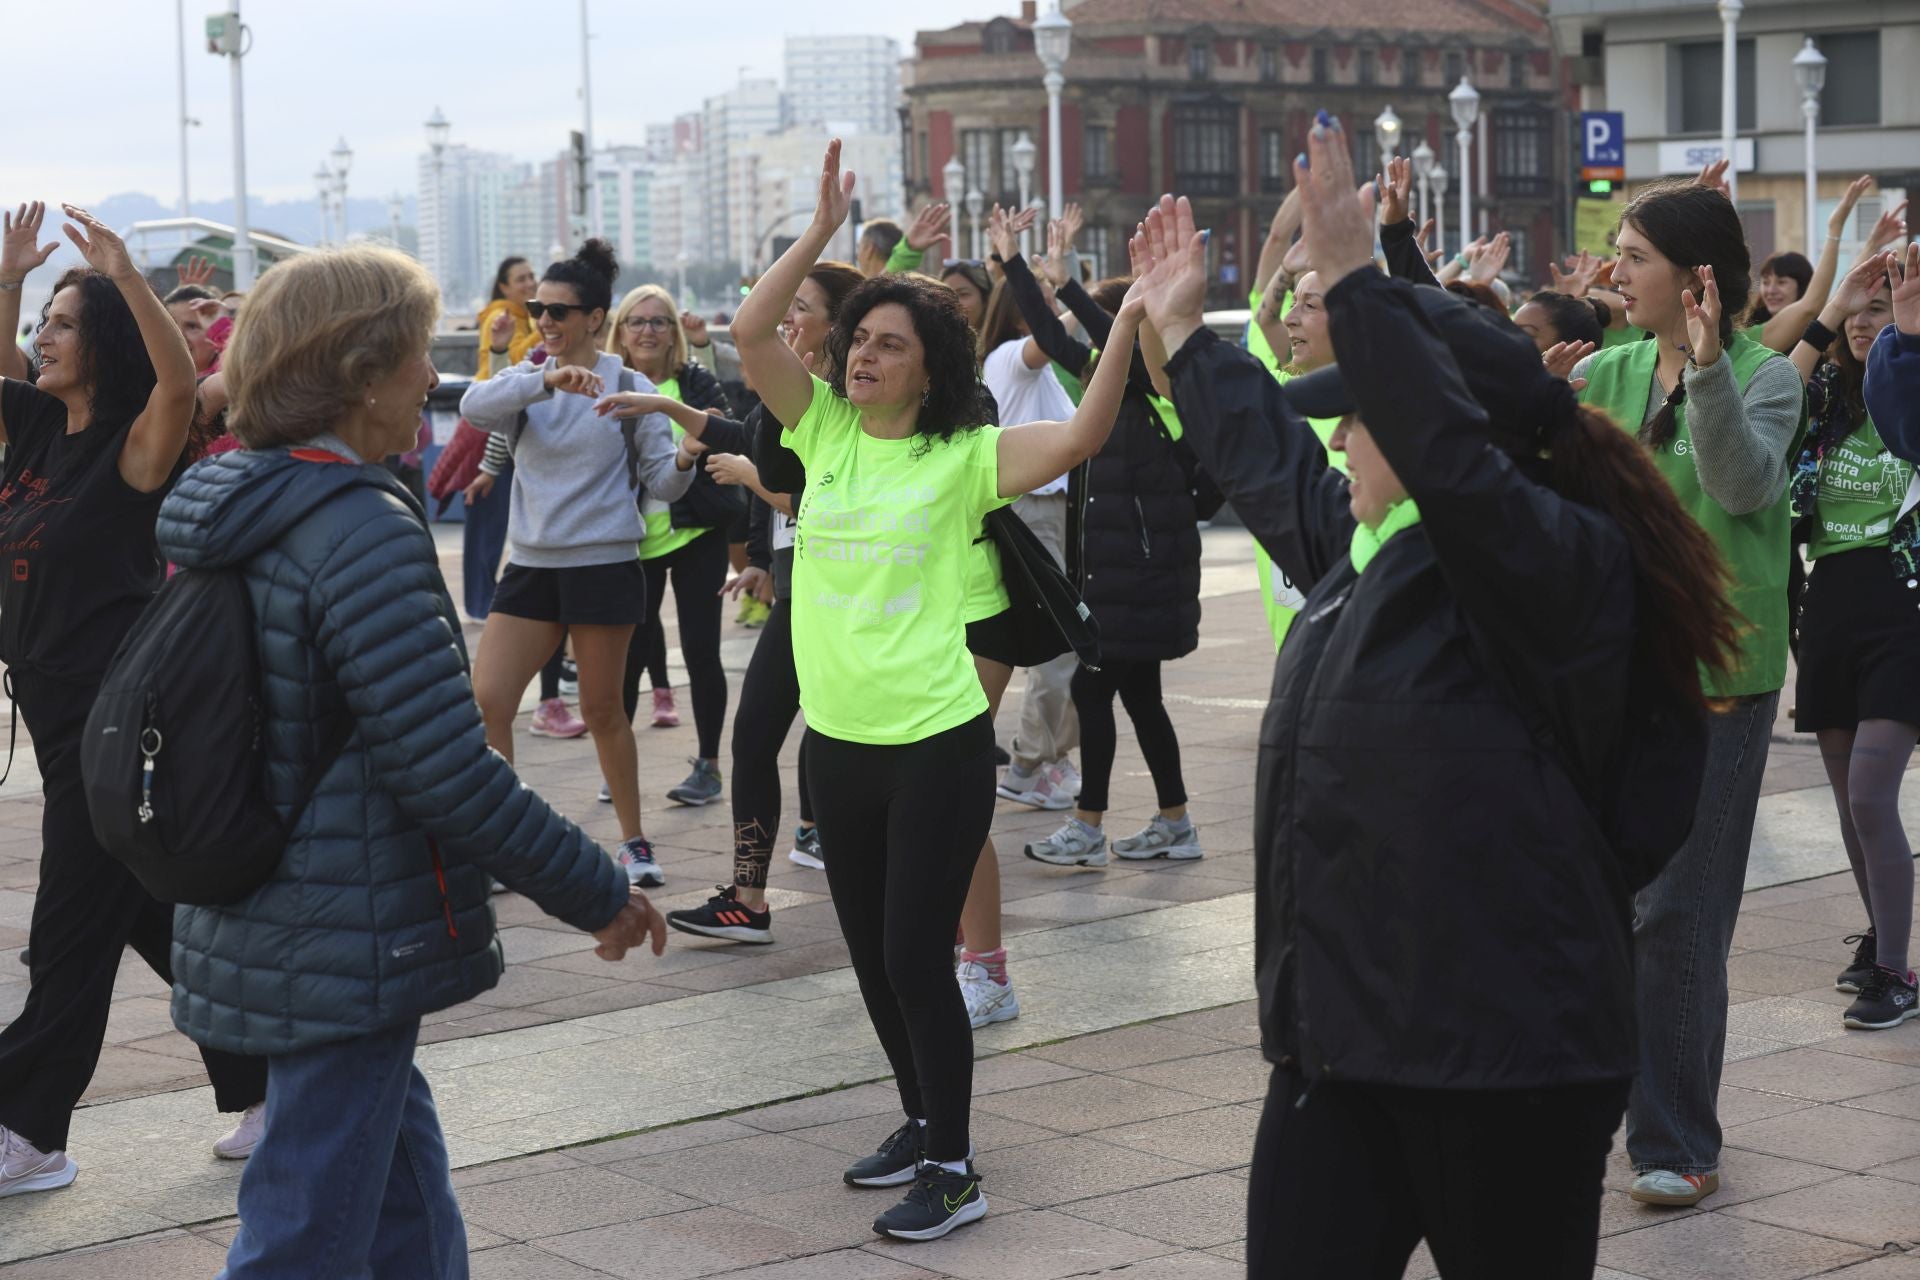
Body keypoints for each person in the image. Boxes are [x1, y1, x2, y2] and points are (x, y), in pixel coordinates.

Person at [1133, 117, 1736, 1276]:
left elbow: (1459, 472)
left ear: (1437, 427)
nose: (1343, 438)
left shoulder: (1550, 563)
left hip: (1507, 1060)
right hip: (1339, 1051)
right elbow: (1270, 461)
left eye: (1363, 416)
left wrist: (1363, 282)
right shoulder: (1366, 554)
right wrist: (1182, 340)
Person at [158, 243, 668, 1277]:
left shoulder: (239, 500)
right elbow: (446, 765)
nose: (430, 382)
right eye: (409, 360)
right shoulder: (357, 526)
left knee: (400, 1201)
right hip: (347, 921)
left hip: (265, 900)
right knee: (303, 1229)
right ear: (357, 373)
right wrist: (596, 888)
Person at [735, 139, 1137, 1242]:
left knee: (919, 954)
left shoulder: (964, 456)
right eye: (857, 338)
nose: (860, 356)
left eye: (886, 345)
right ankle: (920, 1117)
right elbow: (751, 333)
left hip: (938, 744)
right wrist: (819, 235)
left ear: (929, 367)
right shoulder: (821, 433)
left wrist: (1130, 322)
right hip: (840, 746)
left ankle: (957, 1168)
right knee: (872, 956)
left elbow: (1090, 431)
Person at [0, 204, 269, 1197]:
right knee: (155, 916)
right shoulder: (33, 430)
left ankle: (29, 1129)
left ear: (103, 342)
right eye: (43, 325)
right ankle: (270, 1075)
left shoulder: (133, 449)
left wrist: (123, 275)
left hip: (111, 719)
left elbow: (176, 380)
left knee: (67, 927)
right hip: (49, 708)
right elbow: (4, 355)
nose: (44, 338)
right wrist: (15, 282)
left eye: (66, 324)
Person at [1571, 179, 1808, 1208]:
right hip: (1612, 676)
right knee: (1599, 903)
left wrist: (1707, 371)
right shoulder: (1606, 371)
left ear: (1697, 279)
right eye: (1618, 253)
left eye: (1635, 257)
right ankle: (1596, 1111)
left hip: (1719, 678)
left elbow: (1743, 484)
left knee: (1679, 912)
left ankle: (1672, 1137)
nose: (1616, 271)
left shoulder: (1766, 378)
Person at [461, 240, 697, 891]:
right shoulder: (527, 380)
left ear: (596, 318)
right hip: (531, 568)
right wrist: (543, 378)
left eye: (561, 312)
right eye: (540, 308)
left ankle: (633, 842)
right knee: (488, 701)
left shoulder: (631, 386)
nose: (546, 321)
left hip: (605, 567)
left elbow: (664, 485)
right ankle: (504, 841)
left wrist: (685, 456)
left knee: (602, 711)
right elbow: (471, 409)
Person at [662, 260, 866, 944]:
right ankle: (748, 897)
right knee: (754, 738)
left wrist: (752, 477)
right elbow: (737, 433)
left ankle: (891, 893)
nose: (785, 319)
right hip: (798, 591)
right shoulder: (789, 397)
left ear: (838, 327)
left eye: (800, 307)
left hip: (852, 599)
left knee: (847, 748)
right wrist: (660, 406)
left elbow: (824, 501)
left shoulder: (850, 404)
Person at [998, 235, 1206, 870]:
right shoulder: (1111, 389)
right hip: (1119, 575)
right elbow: (1056, 339)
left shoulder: (1150, 387)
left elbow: (1097, 333)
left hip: (1134, 576)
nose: (1102, 343)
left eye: (1117, 328)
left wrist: (1086, 294)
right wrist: (1023, 271)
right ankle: (1175, 822)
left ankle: (1088, 826)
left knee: (1096, 698)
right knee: (1141, 700)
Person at [1785, 250, 1920, 1028]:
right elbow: (1764, 394)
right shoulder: (1825, 396)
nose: (1869, 323)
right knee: (1846, 803)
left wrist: (1905, 338)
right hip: (1830, 603)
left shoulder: (1907, 391)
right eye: (1860, 312)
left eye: (1886, 308)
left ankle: (1898, 974)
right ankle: (1885, 940)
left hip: (1904, 606)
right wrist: (1831, 305)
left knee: (1873, 793)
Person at [605, 284, 736, 803]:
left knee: (702, 651)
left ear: (674, 333)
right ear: (619, 330)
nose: (648, 330)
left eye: (660, 321)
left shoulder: (695, 381)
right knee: (628, 656)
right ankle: (616, 766)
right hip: (632, 540)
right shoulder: (607, 384)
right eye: (637, 321)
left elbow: (728, 431)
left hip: (695, 530)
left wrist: (700, 437)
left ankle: (708, 766)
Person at [979, 205, 1083, 812]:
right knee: (1057, 643)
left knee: (1053, 642)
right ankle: (1027, 762)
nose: (1048, 304)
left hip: (1049, 513)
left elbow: (1065, 327)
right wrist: (1032, 270)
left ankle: (1045, 760)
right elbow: (1051, 334)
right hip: (1033, 512)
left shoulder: (1036, 374)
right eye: (1036, 296)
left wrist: (1063, 272)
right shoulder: (1009, 362)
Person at [461, 257, 583, 739]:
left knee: (604, 702)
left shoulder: (609, 371)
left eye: (551, 303)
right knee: (491, 693)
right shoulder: (507, 325)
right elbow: (499, 398)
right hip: (535, 528)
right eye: (528, 290)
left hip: (591, 544)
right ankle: (549, 698)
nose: (541, 309)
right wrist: (490, 468)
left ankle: (555, 693)